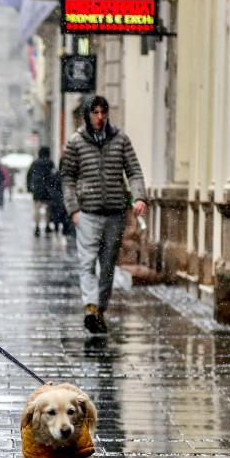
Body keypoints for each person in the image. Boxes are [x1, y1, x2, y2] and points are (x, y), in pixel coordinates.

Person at [60, 95, 147, 334]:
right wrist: (73, 209)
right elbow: (67, 178)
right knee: (87, 262)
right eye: (95, 112)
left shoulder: (120, 140)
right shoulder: (76, 142)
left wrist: (139, 196)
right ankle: (90, 306)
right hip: (87, 211)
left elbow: (134, 170)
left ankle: (100, 309)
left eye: (103, 112)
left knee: (107, 265)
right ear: (87, 115)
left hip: (115, 212)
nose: (99, 117)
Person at [26, 146, 58, 236]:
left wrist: (29, 187)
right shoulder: (50, 163)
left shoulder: (35, 163)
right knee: (48, 208)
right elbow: (54, 175)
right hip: (48, 188)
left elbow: (29, 175)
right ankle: (47, 225)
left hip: (37, 188)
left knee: (37, 208)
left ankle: (37, 226)